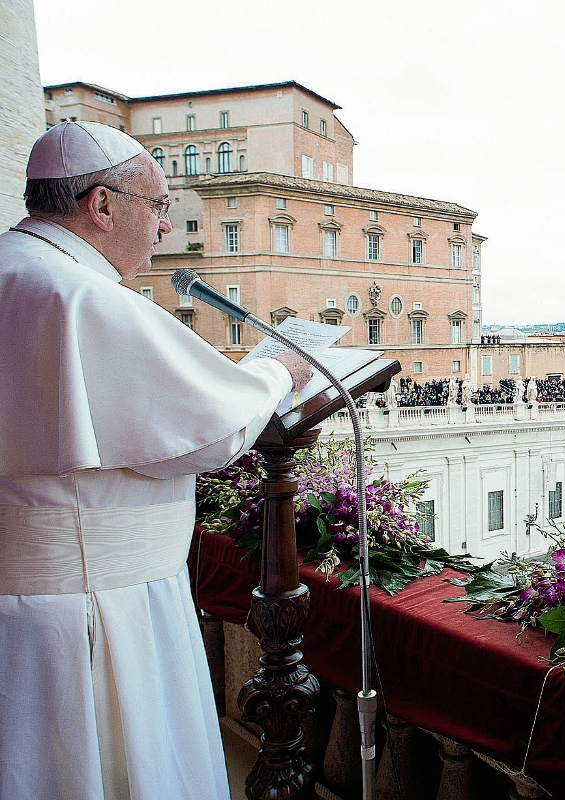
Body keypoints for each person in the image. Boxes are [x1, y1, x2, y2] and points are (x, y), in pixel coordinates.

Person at [0, 121, 312, 799]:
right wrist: (280, 373)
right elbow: (211, 429)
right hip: (90, 609)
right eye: (160, 206)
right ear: (103, 206)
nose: (166, 228)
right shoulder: (79, 294)